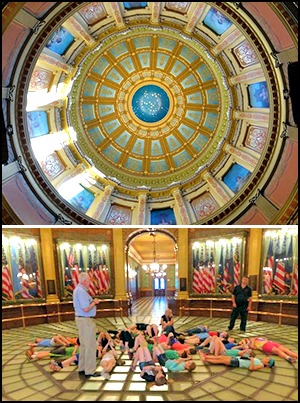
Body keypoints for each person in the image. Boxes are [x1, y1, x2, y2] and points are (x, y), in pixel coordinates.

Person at [73, 272, 101, 377]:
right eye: (89, 280)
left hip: (82, 320)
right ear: (85, 281)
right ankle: (90, 370)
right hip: (86, 320)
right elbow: (85, 308)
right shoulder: (81, 291)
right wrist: (94, 302)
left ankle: (83, 367)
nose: (90, 282)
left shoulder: (79, 290)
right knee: (90, 345)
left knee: (84, 345)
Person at [199, 351, 275, 371]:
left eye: (267, 359)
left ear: (267, 364)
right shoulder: (259, 360)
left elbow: (251, 368)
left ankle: (206, 359)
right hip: (239, 359)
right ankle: (206, 356)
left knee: (221, 360)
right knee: (222, 357)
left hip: (238, 363)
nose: (265, 358)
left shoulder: (261, 365)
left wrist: (251, 360)